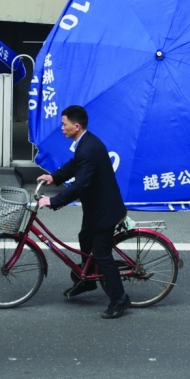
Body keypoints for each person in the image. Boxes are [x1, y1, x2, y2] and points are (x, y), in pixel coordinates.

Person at [37, 105, 131, 320]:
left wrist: (53, 200)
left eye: (64, 124)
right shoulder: (85, 143)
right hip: (96, 207)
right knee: (84, 237)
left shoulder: (88, 148)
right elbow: (74, 165)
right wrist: (54, 177)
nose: (62, 128)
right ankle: (87, 280)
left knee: (101, 254)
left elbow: (80, 186)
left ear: (76, 126)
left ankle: (120, 299)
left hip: (105, 211)